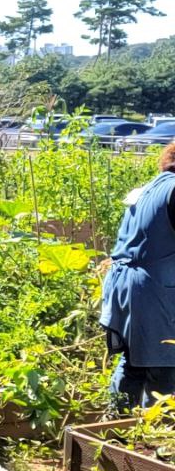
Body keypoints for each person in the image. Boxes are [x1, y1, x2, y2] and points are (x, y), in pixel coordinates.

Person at [99, 141, 175, 407]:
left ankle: (114, 432)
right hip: (155, 292)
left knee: (133, 364)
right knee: (166, 368)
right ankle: (160, 442)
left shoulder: (150, 187)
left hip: (126, 286)